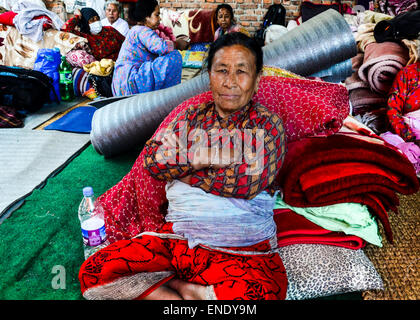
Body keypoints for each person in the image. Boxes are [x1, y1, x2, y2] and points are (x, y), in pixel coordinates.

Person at [79, 32, 288, 300]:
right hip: (178, 242)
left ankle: (179, 290)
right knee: (95, 270)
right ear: (209, 75)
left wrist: (183, 166)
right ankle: (191, 292)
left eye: (242, 71)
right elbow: (153, 161)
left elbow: (247, 182)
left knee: (262, 293)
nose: (231, 81)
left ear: (257, 79)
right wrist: (207, 156)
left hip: (243, 249)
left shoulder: (267, 125)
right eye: (222, 70)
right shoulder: (191, 116)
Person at [111, 0, 182, 96]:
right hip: (130, 81)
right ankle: (168, 95)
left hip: (121, 83)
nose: (160, 18)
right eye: (157, 15)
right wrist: (177, 44)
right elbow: (161, 47)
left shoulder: (137, 30)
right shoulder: (142, 31)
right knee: (174, 56)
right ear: (146, 16)